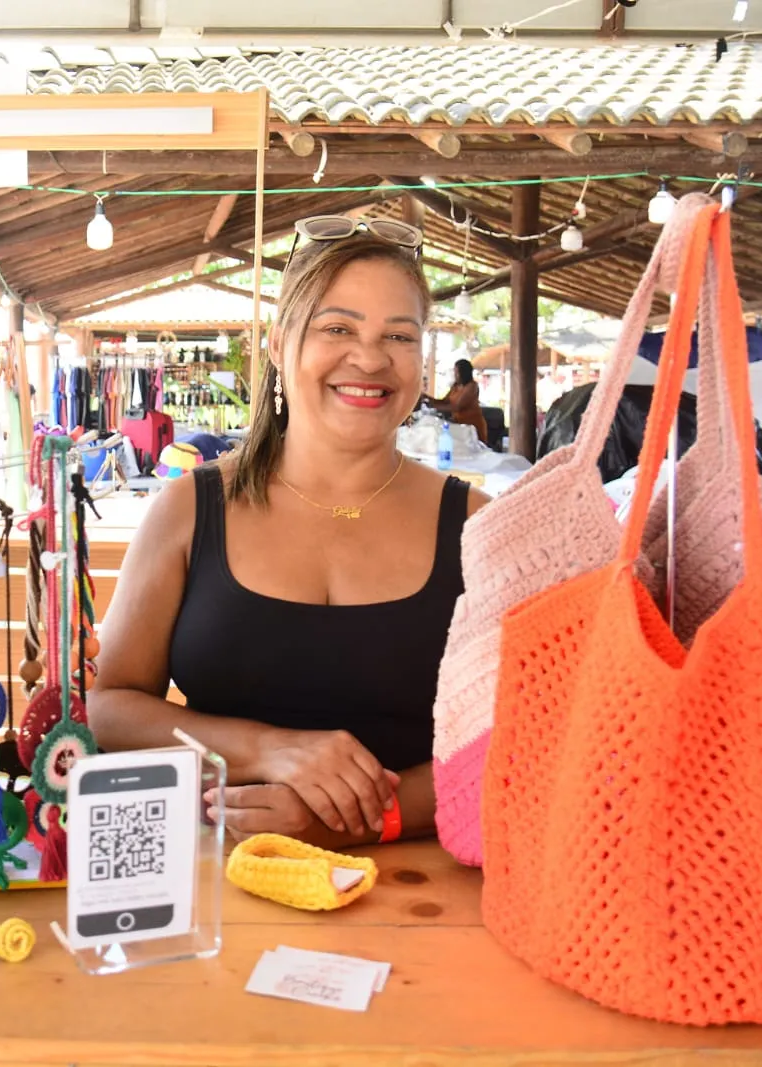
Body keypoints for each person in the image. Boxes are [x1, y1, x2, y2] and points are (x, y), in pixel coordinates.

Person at [89, 216, 490, 849]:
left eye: (399, 335)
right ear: (280, 345)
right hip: (217, 887)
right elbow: (111, 707)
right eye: (338, 328)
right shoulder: (190, 509)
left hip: (425, 891)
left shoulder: (477, 525)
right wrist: (267, 750)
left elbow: (517, 738)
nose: (369, 357)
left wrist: (352, 820)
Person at [428, 358, 490, 445]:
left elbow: (457, 407)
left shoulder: (472, 387)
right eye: (454, 372)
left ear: (464, 373)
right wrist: (428, 399)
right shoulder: (455, 386)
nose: (455, 375)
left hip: (472, 427)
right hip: (459, 427)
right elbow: (445, 401)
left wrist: (432, 406)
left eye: (457, 372)